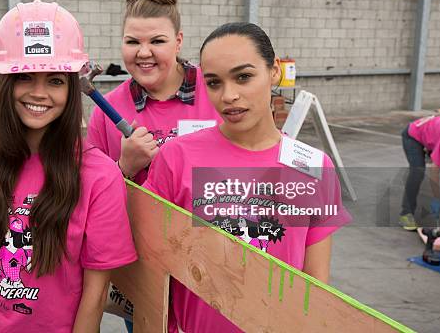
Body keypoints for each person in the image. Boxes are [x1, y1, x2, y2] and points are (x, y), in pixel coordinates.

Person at [0, 0, 137, 332]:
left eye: (55, 80)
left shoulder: (100, 178)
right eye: (25, 77)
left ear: (71, 87)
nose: (39, 93)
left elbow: (94, 298)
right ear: (5, 83)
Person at [143, 22, 352, 332]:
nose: (229, 95)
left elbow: (315, 285)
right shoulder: (177, 157)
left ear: (274, 72)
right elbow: (152, 264)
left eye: (243, 77)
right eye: (214, 83)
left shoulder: (314, 167)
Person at [86, 0, 221, 185]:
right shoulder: (106, 111)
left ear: (178, 42)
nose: (143, 53)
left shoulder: (218, 91)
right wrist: (124, 167)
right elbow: (89, 192)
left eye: (157, 41)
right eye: (132, 42)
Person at [399, 115, 440, 230]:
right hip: (413, 135)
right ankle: (406, 214)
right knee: (418, 171)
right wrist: (437, 199)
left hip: (430, 133)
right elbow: (434, 172)